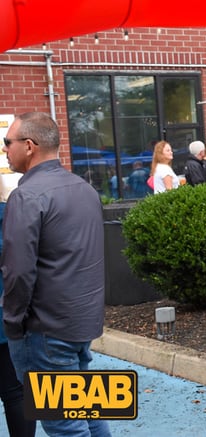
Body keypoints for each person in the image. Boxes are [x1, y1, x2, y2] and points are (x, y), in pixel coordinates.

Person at [1, 111, 109, 437]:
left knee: (66, 426)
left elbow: (18, 272)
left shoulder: (27, 196)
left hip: (45, 331)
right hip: (79, 324)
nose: (5, 150)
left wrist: (13, 321)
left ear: (29, 146)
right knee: (87, 412)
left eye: (8, 143)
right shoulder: (84, 189)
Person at [0, 179, 36, 437]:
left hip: (8, 320)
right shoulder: (12, 214)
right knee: (16, 392)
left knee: (16, 393)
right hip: (9, 317)